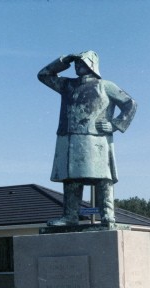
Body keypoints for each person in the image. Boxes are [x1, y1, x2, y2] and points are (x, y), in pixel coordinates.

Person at [37, 50, 137, 226]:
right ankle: (70, 216)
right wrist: (63, 60)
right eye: (76, 63)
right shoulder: (67, 85)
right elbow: (44, 75)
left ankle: (107, 216)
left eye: (81, 63)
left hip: (95, 139)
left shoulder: (105, 85)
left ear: (92, 65)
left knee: (102, 178)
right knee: (71, 178)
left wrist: (115, 124)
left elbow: (130, 104)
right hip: (69, 138)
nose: (77, 66)